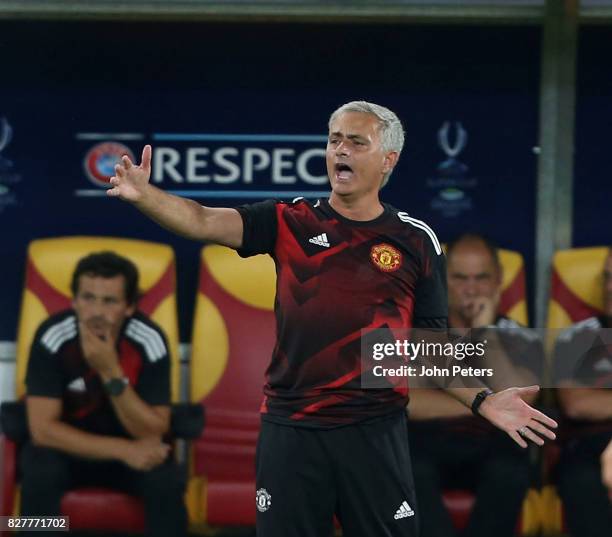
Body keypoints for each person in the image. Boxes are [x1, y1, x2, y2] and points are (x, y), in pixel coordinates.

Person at [108, 100, 556, 537]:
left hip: (375, 432)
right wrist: (146, 197)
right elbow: (203, 220)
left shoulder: (416, 241)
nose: (340, 150)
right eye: (334, 140)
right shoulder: (288, 221)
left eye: (356, 142)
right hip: (292, 429)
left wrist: (483, 401)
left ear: (388, 160)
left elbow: (428, 350)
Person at [21, 251, 187, 537]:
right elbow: (42, 430)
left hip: (134, 452)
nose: (96, 311)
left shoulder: (149, 341)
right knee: (38, 472)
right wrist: (123, 450)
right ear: (74, 300)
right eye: (87, 298)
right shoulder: (52, 336)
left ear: (129, 306)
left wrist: (111, 372)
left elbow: (154, 429)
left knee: (166, 480)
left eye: (109, 301)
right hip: (68, 450)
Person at [408, 234, 543, 537]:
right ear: (442, 279)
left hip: (493, 447)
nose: (471, 288)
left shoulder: (520, 335)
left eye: (481, 277)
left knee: (509, 470)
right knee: (409, 468)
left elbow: (524, 404)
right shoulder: (420, 331)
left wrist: (485, 331)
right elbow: (407, 402)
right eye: (459, 277)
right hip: (426, 445)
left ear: (498, 281)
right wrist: (488, 406)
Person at [554, 248, 612, 536]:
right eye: (608, 278)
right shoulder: (577, 336)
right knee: (580, 479)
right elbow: (576, 403)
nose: (611, 287)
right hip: (588, 444)